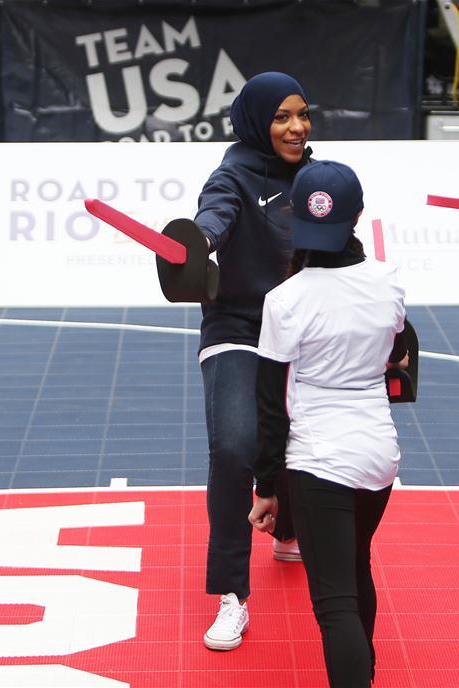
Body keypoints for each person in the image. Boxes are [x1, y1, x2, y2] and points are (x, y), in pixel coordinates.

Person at [248, 160, 407, 687]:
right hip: (379, 459)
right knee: (356, 567)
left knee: (334, 606)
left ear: (296, 218)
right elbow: (398, 350)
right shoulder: (388, 282)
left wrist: (266, 487)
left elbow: (271, 406)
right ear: (357, 216)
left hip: (319, 462)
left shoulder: (285, 300)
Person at [194, 71, 312, 651]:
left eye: (302, 114)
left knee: (302, 433)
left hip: (298, 327)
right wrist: (197, 242)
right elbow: (213, 217)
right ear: (255, 123)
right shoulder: (233, 174)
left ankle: (286, 525)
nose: (296, 127)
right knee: (236, 444)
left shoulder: (317, 179)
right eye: (282, 117)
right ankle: (232, 596)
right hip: (237, 324)